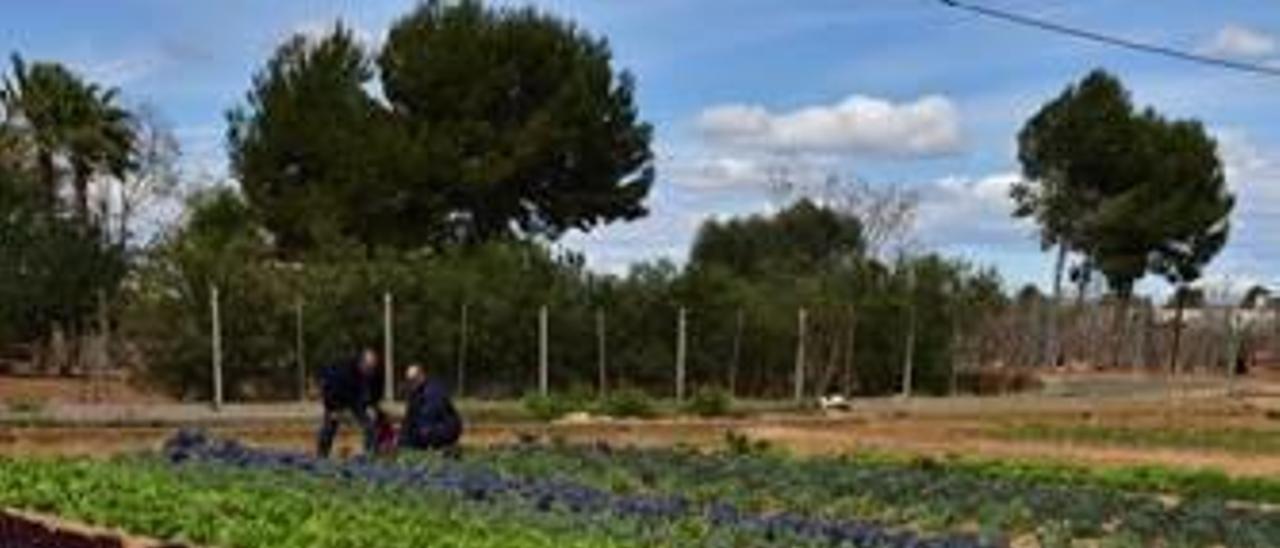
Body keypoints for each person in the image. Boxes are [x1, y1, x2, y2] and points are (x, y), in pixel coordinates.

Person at [316, 346, 384, 458]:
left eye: (372, 368)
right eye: (368, 368)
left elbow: (376, 393)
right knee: (330, 425)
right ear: (361, 363)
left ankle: (371, 453)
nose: (370, 371)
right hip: (337, 400)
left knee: (370, 424)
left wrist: (373, 406)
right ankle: (322, 454)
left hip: (356, 400)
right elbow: (329, 390)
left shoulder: (375, 374)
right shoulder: (343, 372)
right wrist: (333, 409)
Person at [398, 364, 463, 451]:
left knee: (423, 432)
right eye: (409, 380)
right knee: (409, 437)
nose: (411, 383)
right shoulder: (414, 394)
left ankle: (443, 447)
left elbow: (431, 415)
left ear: (422, 376)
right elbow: (409, 419)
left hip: (444, 428)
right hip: (428, 428)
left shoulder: (433, 391)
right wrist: (401, 438)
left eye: (414, 379)